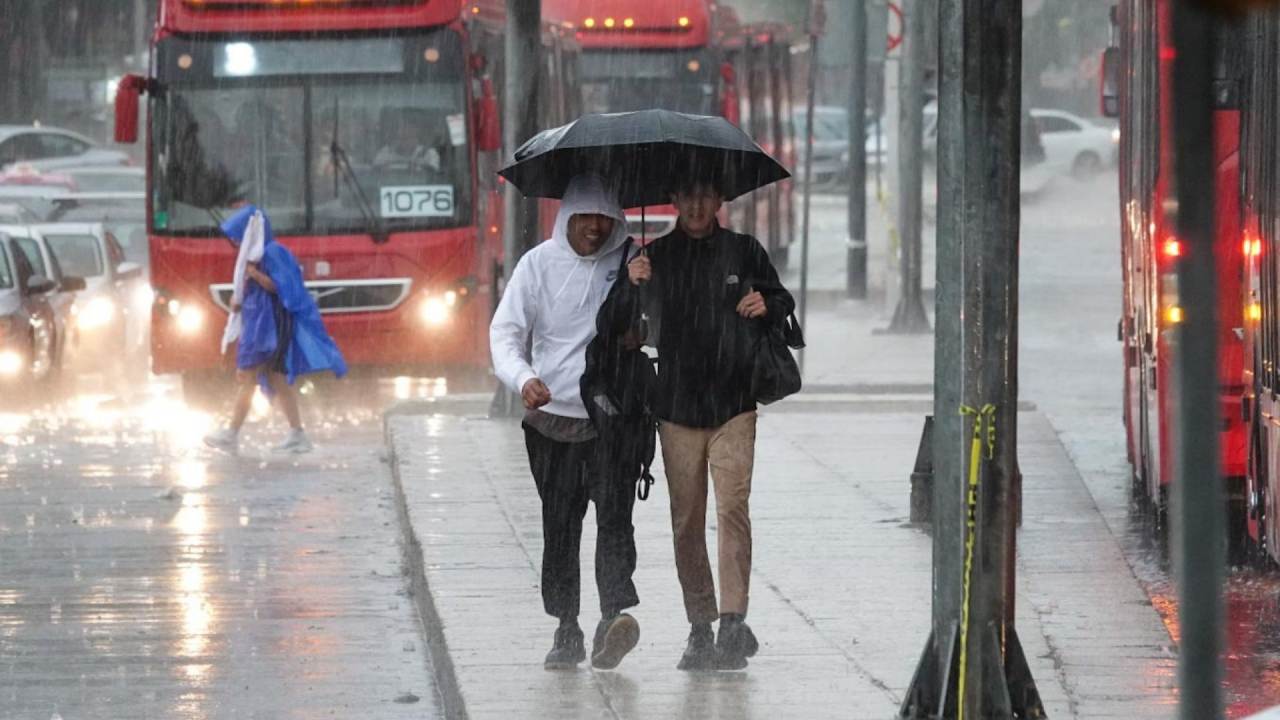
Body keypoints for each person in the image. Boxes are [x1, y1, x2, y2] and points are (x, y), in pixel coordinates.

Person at [605, 176, 794, 671]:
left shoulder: (744, 250)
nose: (695, 205)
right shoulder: (653, 257)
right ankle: (699, 626)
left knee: (733, 508)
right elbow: (617, 324)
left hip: (735, 404)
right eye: (686, 195)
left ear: (719, 202)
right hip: (677, 409)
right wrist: (632, 282)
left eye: (705, 196)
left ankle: (733, 620)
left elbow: (783, 303)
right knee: (686, 521)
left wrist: (766, 304)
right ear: (674, 200)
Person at [489, 174, 642, 671]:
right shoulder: (537, 266)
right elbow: (506, 333)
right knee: (560, 527)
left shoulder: (631, 265)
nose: (595, 228)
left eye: (605, 218)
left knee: (615, 520)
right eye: (585, 218)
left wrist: (641, 312)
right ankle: (566, 627)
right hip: (552, 423)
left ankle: (613, 617)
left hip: (612, 421)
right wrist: (523, 378)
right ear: (566, 219)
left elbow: (657, 329)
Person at [204, 204, 347, 455]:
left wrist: (253, 275)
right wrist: (238, 303)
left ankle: (232, 432)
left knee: (249, 376)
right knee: (276, 378)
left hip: (271, 326)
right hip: (259, 325)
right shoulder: (254, 257)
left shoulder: (272, 253)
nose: (237, 243)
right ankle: (295, 433)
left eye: (239, 236)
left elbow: (282, 288)